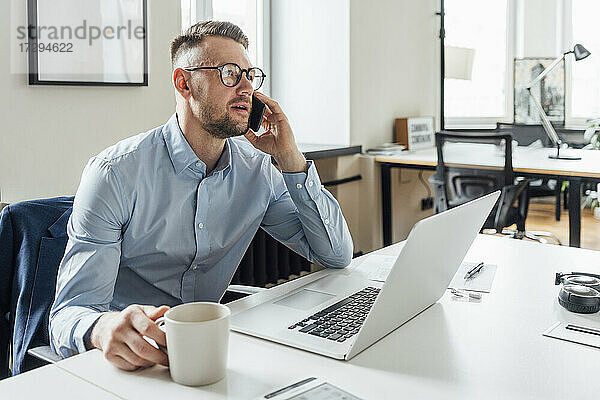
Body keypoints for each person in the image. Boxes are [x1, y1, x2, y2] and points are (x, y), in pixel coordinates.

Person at [49, 20, 353, 371]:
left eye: (249, 75)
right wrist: (102, 328)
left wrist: (291, 160)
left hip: (210, 354)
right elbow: (68, 313)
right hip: (132, 362)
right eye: (229, 74)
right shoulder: (114, 174)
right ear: (184, 83)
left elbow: (336, 255)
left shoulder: (259, 171)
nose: (246, 89)